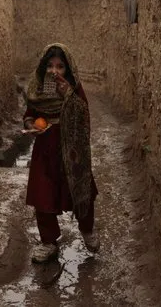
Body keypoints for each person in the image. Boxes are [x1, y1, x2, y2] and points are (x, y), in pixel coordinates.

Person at [23, 43, 100, 263]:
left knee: (81, 188)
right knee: (42, 193)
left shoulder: (74, 88)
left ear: (68, 69)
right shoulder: (38, 89)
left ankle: (87, 231)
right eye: (49, 66)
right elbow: (29, 113)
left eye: (60, 67)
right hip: (45, 150)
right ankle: (48, 242)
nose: (54, 71)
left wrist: (68, 96)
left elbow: (83, 114)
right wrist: (31, 124)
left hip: (71, 149)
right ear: (43, 68)